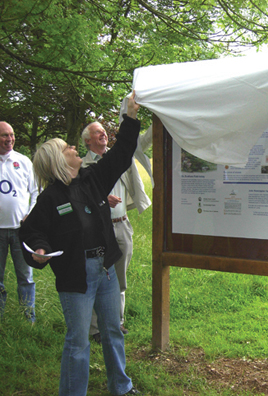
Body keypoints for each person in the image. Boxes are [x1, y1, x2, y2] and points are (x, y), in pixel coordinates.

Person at [19, 93, 142, 396]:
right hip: (76, 277)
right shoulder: (50, 197)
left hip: (106, 269)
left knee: (112, 331)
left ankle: (121, 388)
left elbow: (123, 152)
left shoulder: (92, 178)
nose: (73, 148)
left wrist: (130, 118)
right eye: (67, 147)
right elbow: (32, 232)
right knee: (78, 341)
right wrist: (39, 252)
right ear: (57, 161)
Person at [81, 115, 152, 343]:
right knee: (95, 278)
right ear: (87, 142)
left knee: (120, 279)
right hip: (97, 231)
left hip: (121, 225)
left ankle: (116, 323)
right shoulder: (82, 167)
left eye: (104, 131)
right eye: (96, 132)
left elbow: (139, 146)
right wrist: (100, 197)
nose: (103, 134)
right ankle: (95, 329)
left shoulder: (119, 158)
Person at [0, 121, 38, 322]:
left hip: (20, 230)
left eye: (11, 134)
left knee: (26, 277)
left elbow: (35, 192)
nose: (9, 139)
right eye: (4, 135)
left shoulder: (23, 161)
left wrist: (29, 215)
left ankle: (28, 318)